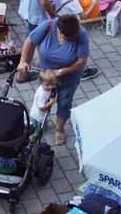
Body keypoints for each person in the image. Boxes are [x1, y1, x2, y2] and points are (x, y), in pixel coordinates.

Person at [17, 15, 89, 145]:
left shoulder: (81, 34)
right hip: (46, 76)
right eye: (66, 37)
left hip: (68, 77)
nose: (67, 39)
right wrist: (23, 61)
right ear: (58, 29)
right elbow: (30, 41)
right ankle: (40, 121)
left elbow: (81, 61)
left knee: (65, 102)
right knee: (42, 100)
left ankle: (59, 128)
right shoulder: (48, 25)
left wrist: (60, 72)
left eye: (70, 38)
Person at [29, 69, 57, 133]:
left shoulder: (46, 88)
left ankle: (43, 124)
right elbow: (41, 108)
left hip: (40, 115)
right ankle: (32, 142)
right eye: (47, 85)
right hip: (37, 117)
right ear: (41, 82)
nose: (50, 87)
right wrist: (51, 102)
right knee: (36, 132)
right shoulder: (41, 95)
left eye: (52, 84)